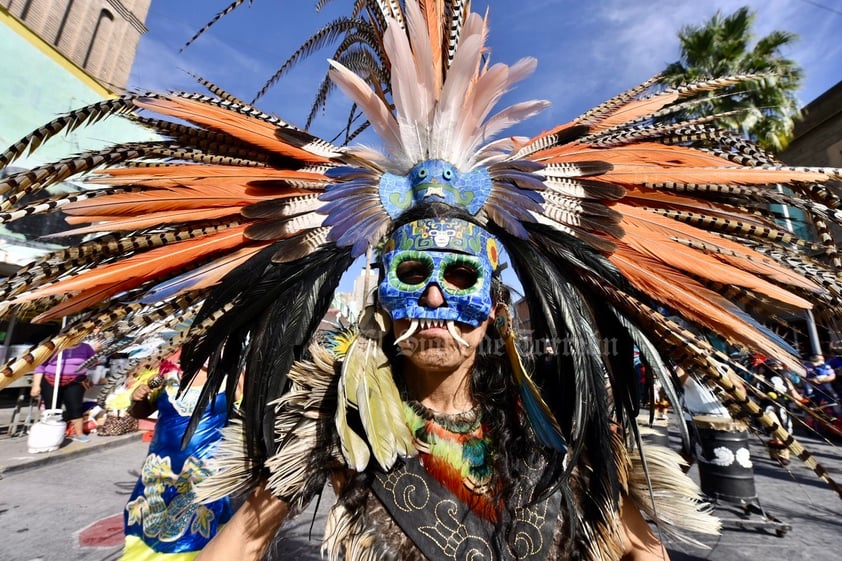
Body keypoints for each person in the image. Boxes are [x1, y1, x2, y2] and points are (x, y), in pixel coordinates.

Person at [196, 206, 716, 561]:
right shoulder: (337, 417)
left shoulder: (556, 417)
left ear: (494, 310)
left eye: (462, 278)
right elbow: (243, 540)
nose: (435, 300)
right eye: (413, 273)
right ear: (384, 303)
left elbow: (637, 545)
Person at [119, 351, 239, 561]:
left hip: (203, 474)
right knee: (148, 530)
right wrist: (138, 397)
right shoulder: (166, 377)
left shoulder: (232, 379)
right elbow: (139, 412)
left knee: (196, 534)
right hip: (158, 473)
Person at [29, 340, 99, 443]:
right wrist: (36, 385)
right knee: (51, 408)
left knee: (75, 407)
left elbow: (93, 363)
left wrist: (96, 354)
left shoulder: (86, 347)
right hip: (50, 380)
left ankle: (79, 434)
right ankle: (51, 434)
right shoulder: (53, 347)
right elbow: (40, 366)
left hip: (75, 381)